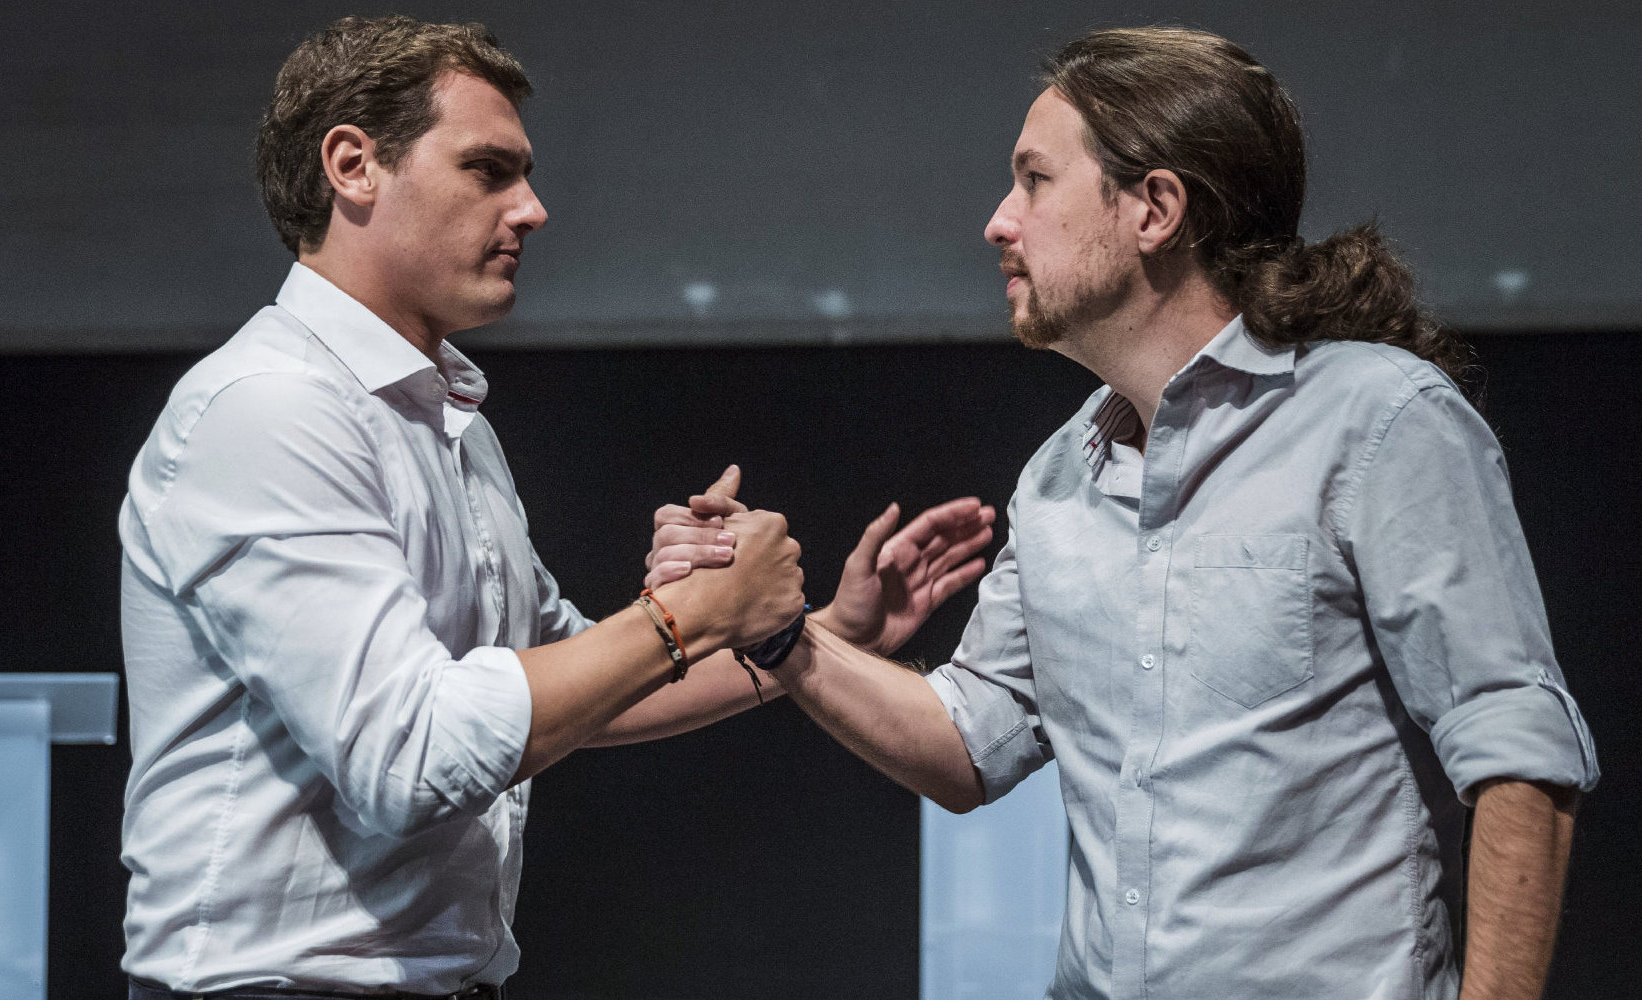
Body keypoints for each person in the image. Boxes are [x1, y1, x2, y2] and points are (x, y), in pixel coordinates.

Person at [658, 26, 1599, 1000]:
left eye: (1032, 181)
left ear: (1153, 209)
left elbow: (1517, 752)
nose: (997, 221)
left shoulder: (1378, 421)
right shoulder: (1060, 475)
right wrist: (778, 633)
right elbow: (968, 741)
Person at [116, 16, 991, 998]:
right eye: (488, 170)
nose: (531, 209)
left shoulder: (447, 425)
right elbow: (403, 755)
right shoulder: (268, 408)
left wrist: (806, 632)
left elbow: (582, 689)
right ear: (354, 166)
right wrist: (684, 616)